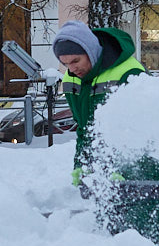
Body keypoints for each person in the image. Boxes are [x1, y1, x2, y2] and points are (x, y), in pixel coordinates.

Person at [52, 20, 146, 184]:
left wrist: (125, 170)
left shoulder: (129, 72)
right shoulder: (71, 79)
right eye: (65, 63)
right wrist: (82, 165)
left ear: (91, 51)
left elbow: (143, 131)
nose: (71, 69)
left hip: (143, 173)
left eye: (75, 61)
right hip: (104, 173)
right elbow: (85, 128)